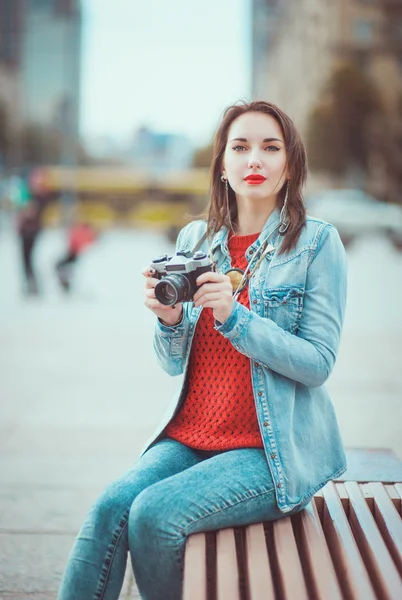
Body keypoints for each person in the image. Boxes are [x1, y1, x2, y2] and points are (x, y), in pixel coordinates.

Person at [57, 101, 347, 600]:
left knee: (153, 515)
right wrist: (169, 320)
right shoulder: (196, 238)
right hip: (191, 436)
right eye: (240, 147)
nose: (254, 159)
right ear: (222, 165)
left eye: (270, 147)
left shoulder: (317, 244)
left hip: (268, 451)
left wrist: (237, 319)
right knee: (111, 508)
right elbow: (173, 364)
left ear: (290, 164)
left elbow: (318, 363)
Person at [55, 221, 96, 292]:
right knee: (63, 267)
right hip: (74, 254)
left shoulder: (82, 233)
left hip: (74, 254)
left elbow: (76, 243)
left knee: (61, 267)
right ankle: (65, 283)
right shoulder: (85, 234)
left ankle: (66, 284)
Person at [16, 199, 42, 295]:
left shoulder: (33, 220)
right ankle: (30, 286)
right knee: (26, 263)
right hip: (25, 239)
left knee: (29, 262)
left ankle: (33, 286)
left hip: (29, 238)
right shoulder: (25, 218)